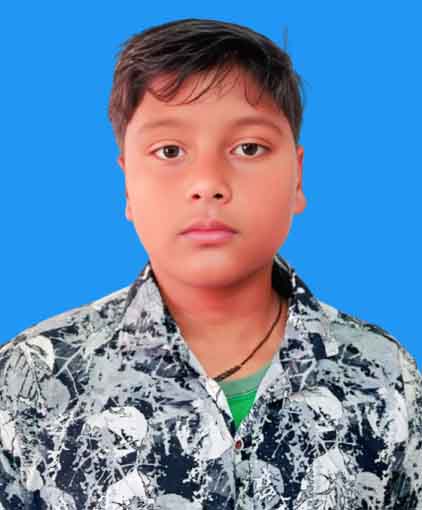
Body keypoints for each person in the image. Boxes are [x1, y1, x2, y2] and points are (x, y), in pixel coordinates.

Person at [1, 18, 421, 510]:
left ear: (297, 177)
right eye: (170, 150)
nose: (208, 183)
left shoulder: (382, 372)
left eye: (249, 148)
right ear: (127, 182)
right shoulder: (30, 378)